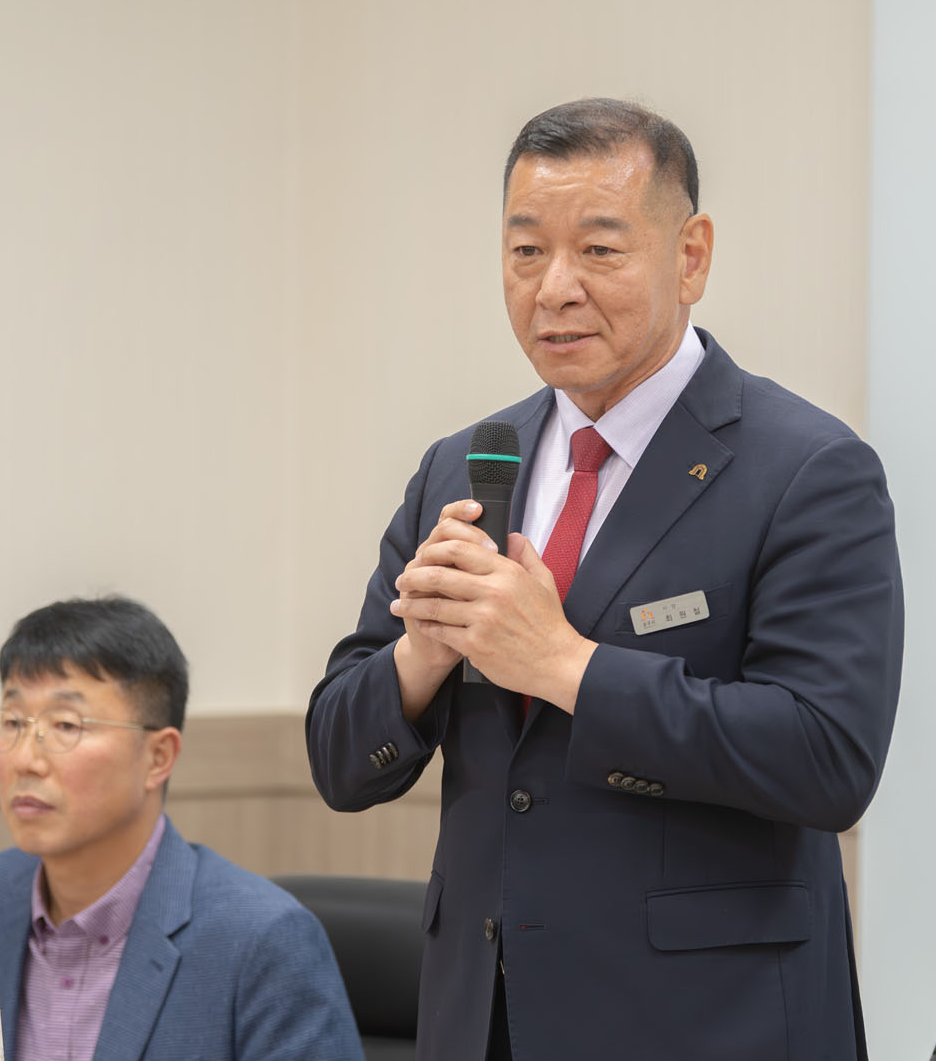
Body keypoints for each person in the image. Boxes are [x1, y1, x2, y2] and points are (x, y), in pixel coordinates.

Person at [307, 98, 904, 1060]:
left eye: (599, 250)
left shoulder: (805, 468)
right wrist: (421, 656)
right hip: (483, 1019)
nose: (555, 289)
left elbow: (826, 758)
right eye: (526, 252)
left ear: (691, 256)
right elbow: (338, 760)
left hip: (710, 1025)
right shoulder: (463, 465)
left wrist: (564, 665)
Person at [0, 596, 363, 1061]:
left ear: (158, 758)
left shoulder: (261, 938)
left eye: (66, 725)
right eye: (12, 722)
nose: (25, 759)